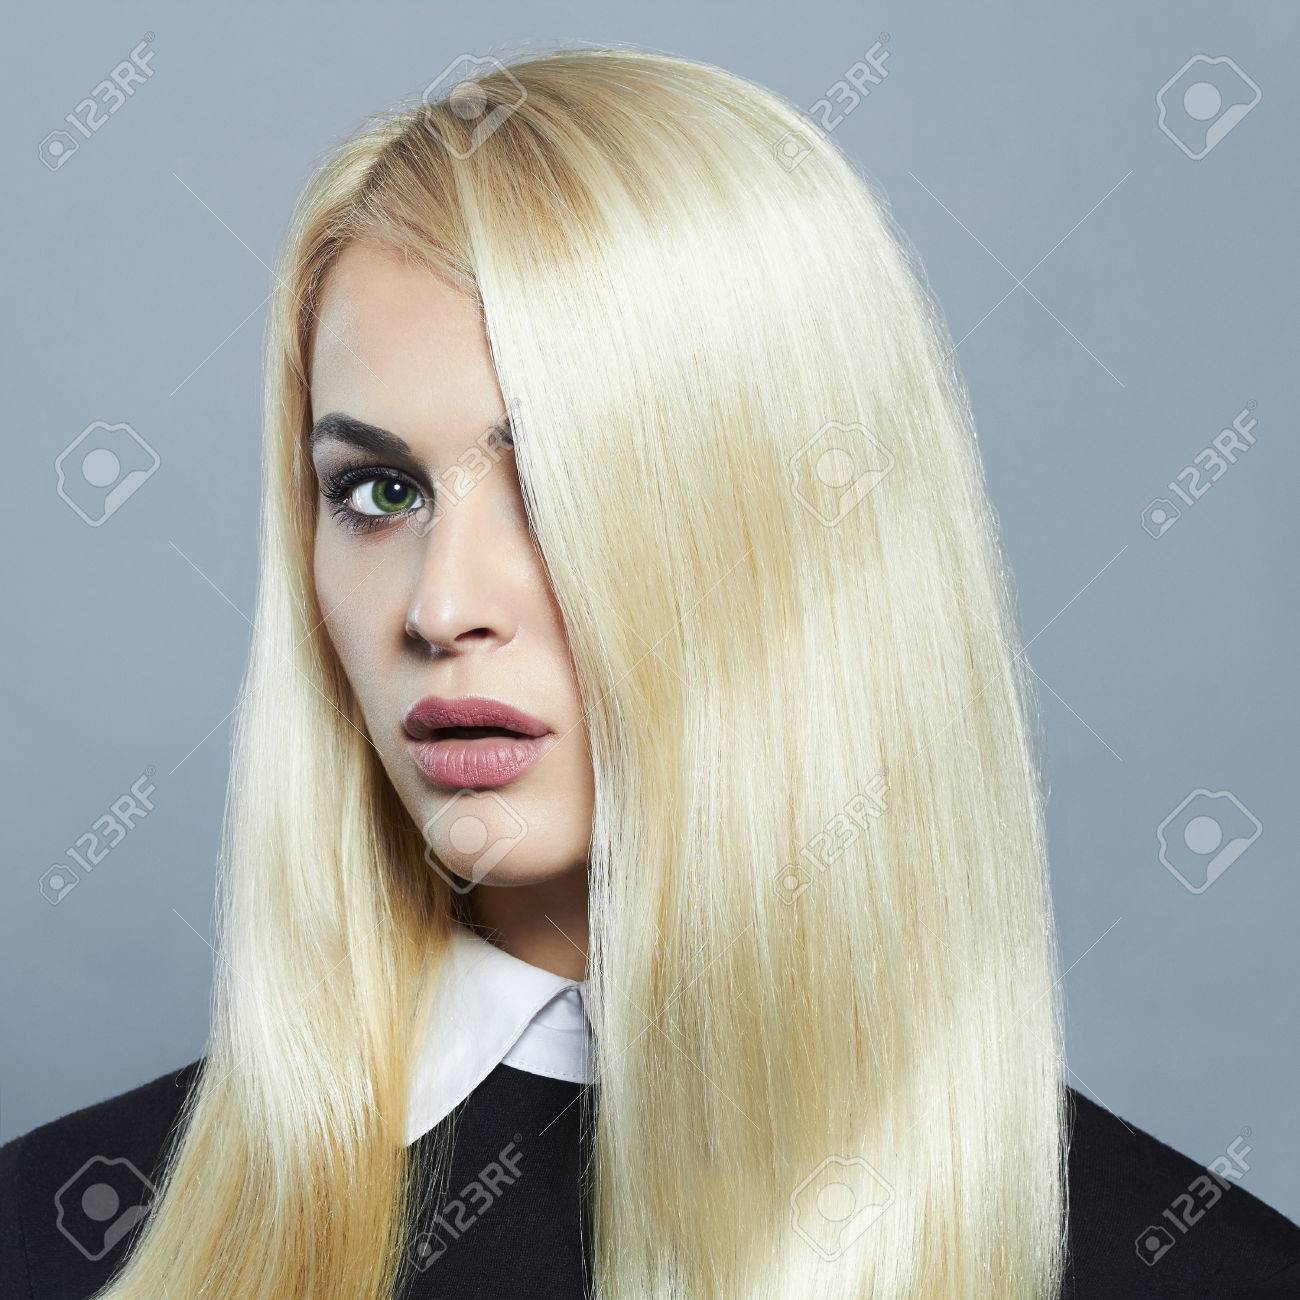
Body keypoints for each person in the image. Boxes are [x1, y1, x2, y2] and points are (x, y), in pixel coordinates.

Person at [3, 45, 1296, 1299]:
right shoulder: (54, 1235)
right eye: (380, 491)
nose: (443, 607)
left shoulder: (1199, 1267)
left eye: (561, 483)